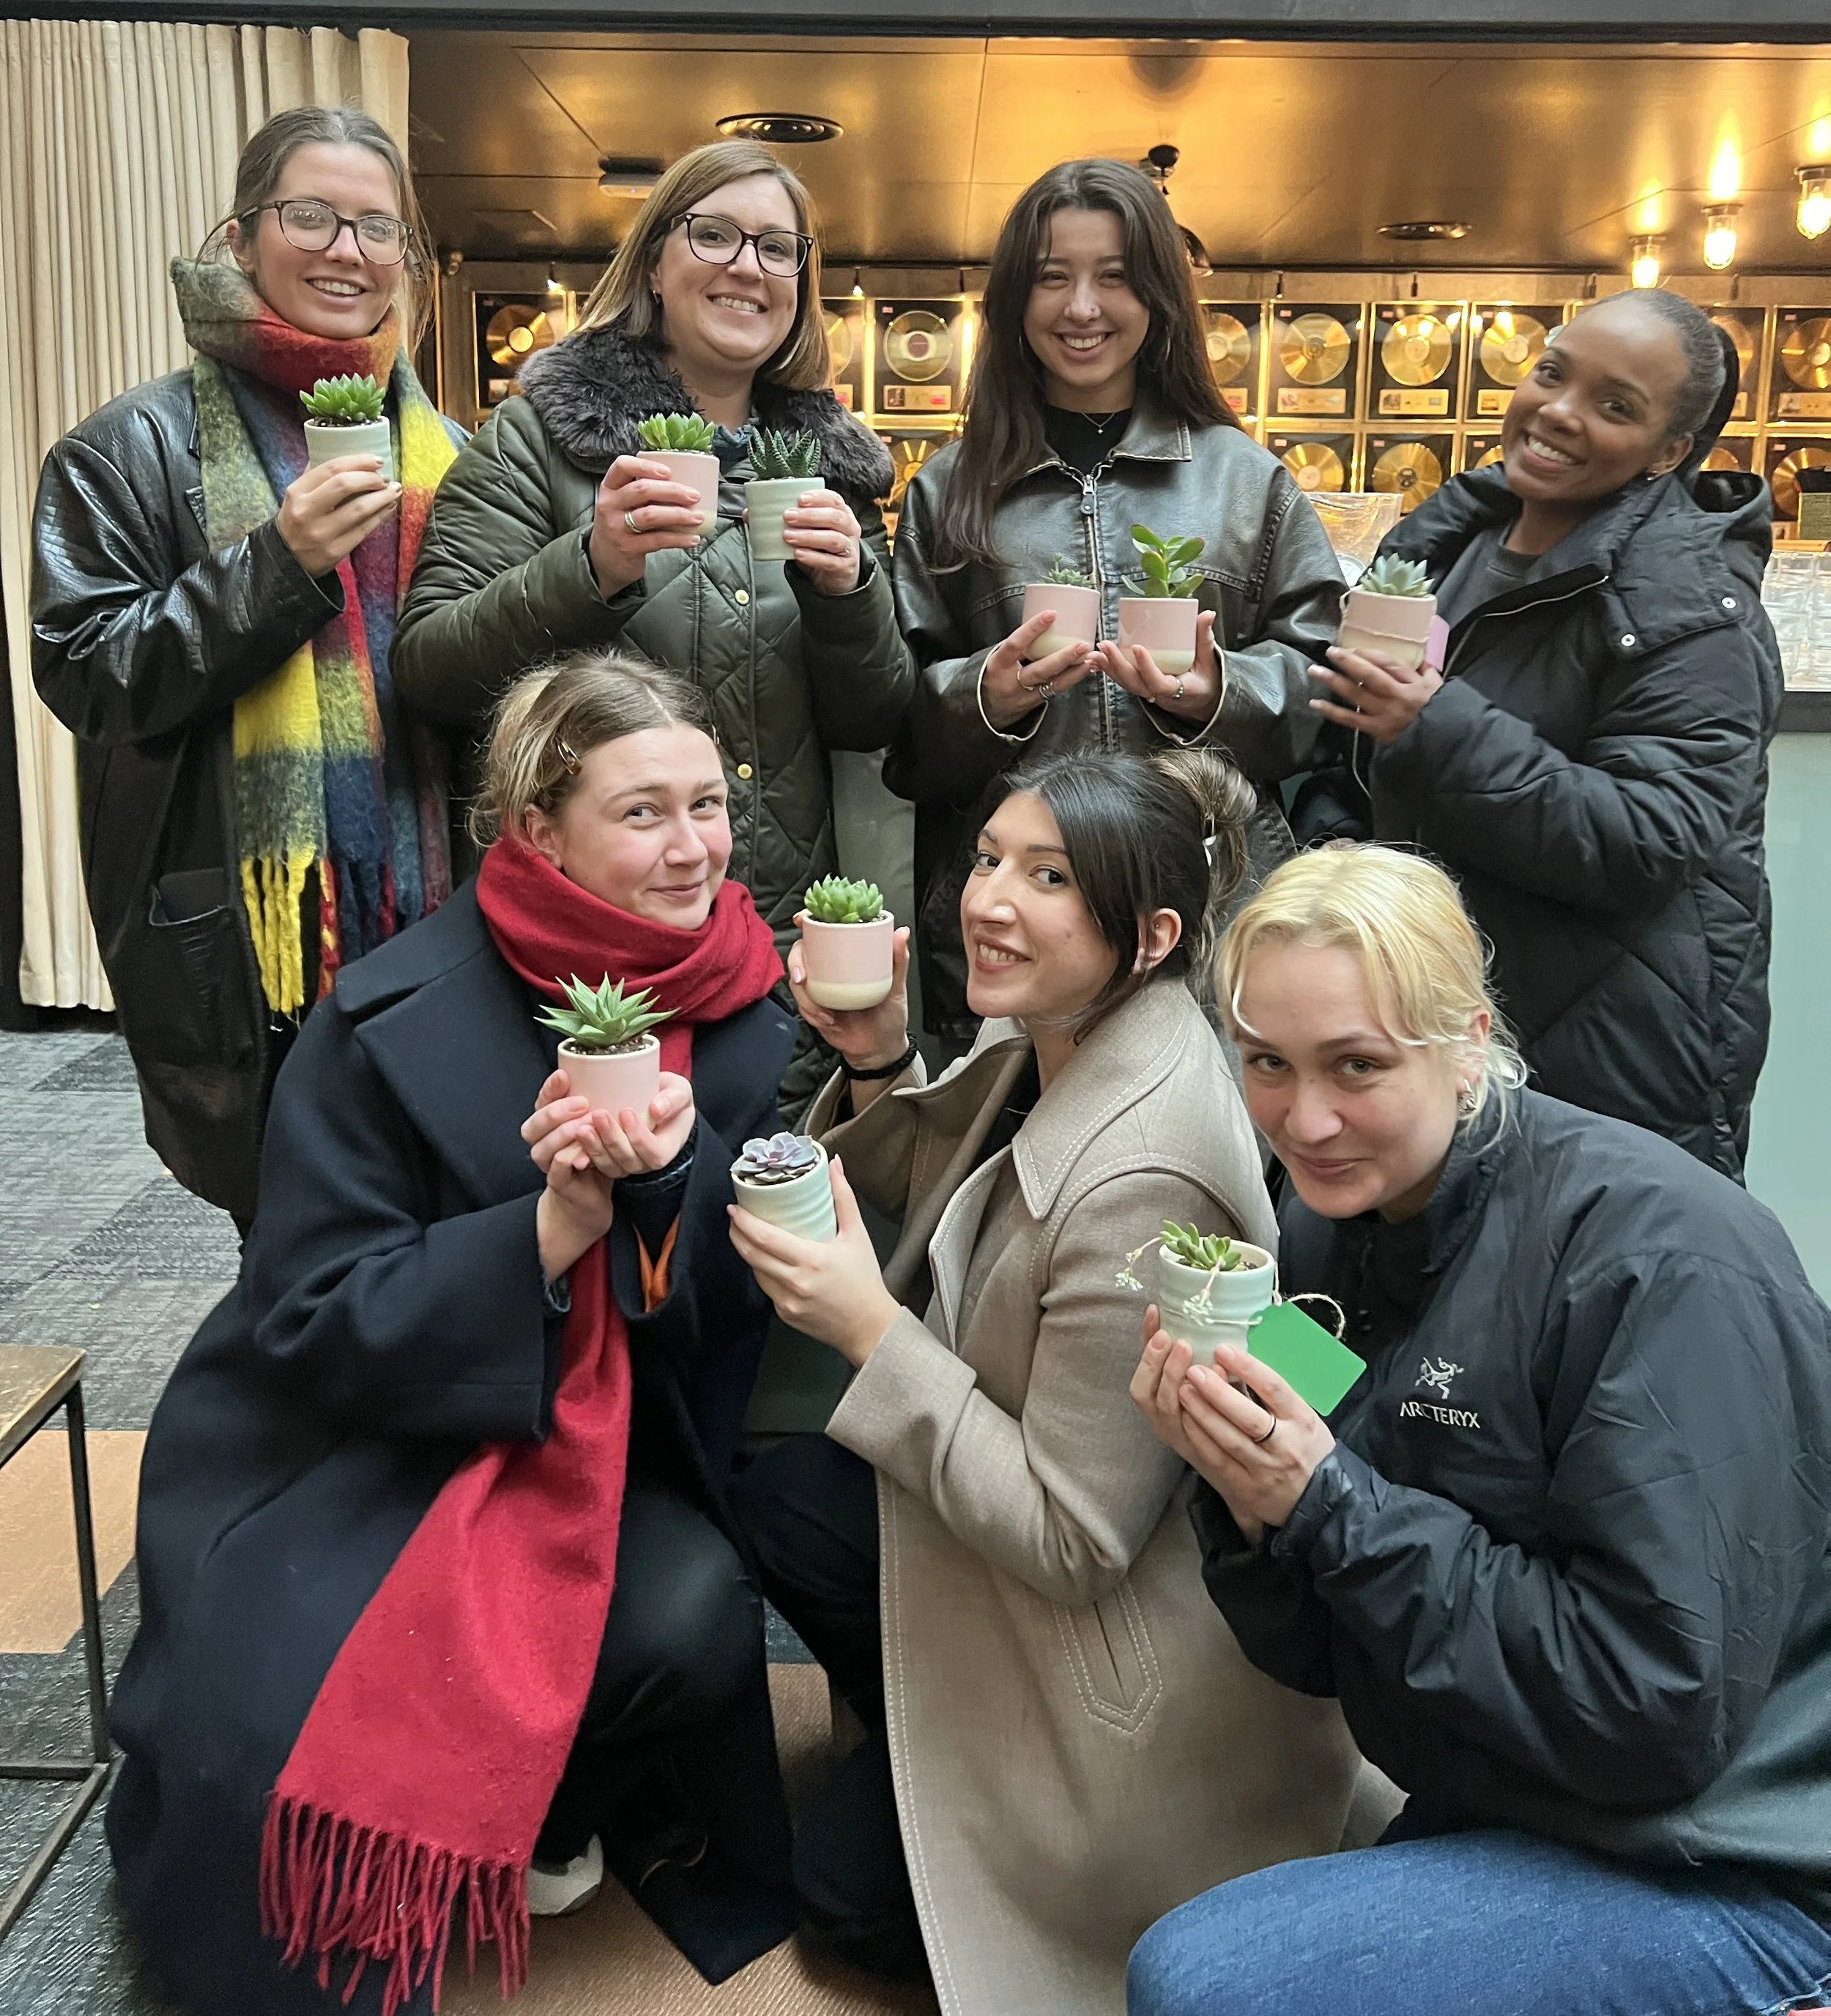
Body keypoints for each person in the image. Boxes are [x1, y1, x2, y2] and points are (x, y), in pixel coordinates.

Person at [106, 653, 807, 2016]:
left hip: (596, 1430)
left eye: (709, 804)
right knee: (267, 1744)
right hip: (345, 1439)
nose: (694, 847)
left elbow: (720, 1315)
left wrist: (665, 1197)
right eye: (645, 811)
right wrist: (545, 1232)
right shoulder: (381, 1017)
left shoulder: (738, 992)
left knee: (692, 1610)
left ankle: (556, 1801)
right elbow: (312, 1313)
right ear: (537, 829)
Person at [1126, 844, 1831, 2016]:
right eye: (1266, 1063)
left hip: (1738, 1851)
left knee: (1203, 1982)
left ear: (1467, 1041)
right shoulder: (1318, 1241)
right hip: (1520, 1792)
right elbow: (1314, 1651)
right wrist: (1249, 1504)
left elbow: (1658, 1707)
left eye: (1357, 1064)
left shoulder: (1658, 1264)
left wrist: (1330, 1504)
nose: (1306, 1119)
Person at [729, 749, 1362, 2016]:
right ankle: (924, 1719)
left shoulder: (1145, 1166)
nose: (990, 899)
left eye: (1049, 876)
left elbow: (1078, 1537)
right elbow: (957, 1192)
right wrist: (879, 1056)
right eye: (989, 858)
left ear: (1153, 932)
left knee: (843, 1901)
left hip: (1124, 1654)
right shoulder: (1077, 1024)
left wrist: (866, 1329)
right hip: (1033, 1506)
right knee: (787, 1485)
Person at [29, 103, 460, 1227]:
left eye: (377, 229)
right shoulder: (129, 447)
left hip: (437, 917)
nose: (345, 250)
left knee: (437, 1236)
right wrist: (278, 562)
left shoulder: (447, 452)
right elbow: (86, 671)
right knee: (288, 1254)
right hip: (255, 932)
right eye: (311, 215)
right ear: (240, 236)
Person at [393, 140, 912, 1000]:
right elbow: (431, 672)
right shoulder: (538, 441)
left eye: (777, 248)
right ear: (655, 264)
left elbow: (873, 720)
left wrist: (847, 595)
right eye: (714, 236)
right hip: (588, 942)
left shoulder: (836, 472)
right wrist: (590, 567)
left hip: (776, 937)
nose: (748, 268)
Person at [1300, 287, 1780, 1177]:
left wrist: (1436, 725)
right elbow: (1352, 755)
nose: (1558, 412)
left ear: (1668, 451)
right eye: (1552, 375)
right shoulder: (1440, 549)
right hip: (1428, 1025)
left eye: (1614, 405)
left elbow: (1649, 838)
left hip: (1600, 1057)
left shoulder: (1690, 608)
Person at [886, 157, 1345, 1055]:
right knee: (1023, 1164)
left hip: (1210, 898)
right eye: (1053, 277)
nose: (1082, 308)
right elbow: (895, 724)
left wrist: (1218, 694)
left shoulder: (1242, 479)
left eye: (1115, 277)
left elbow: (1324, 682)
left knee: (1208, 1165)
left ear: (1159, 298)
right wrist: (987, 694)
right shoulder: (952, 489)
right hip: (1021, 911)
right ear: (1015, 299)